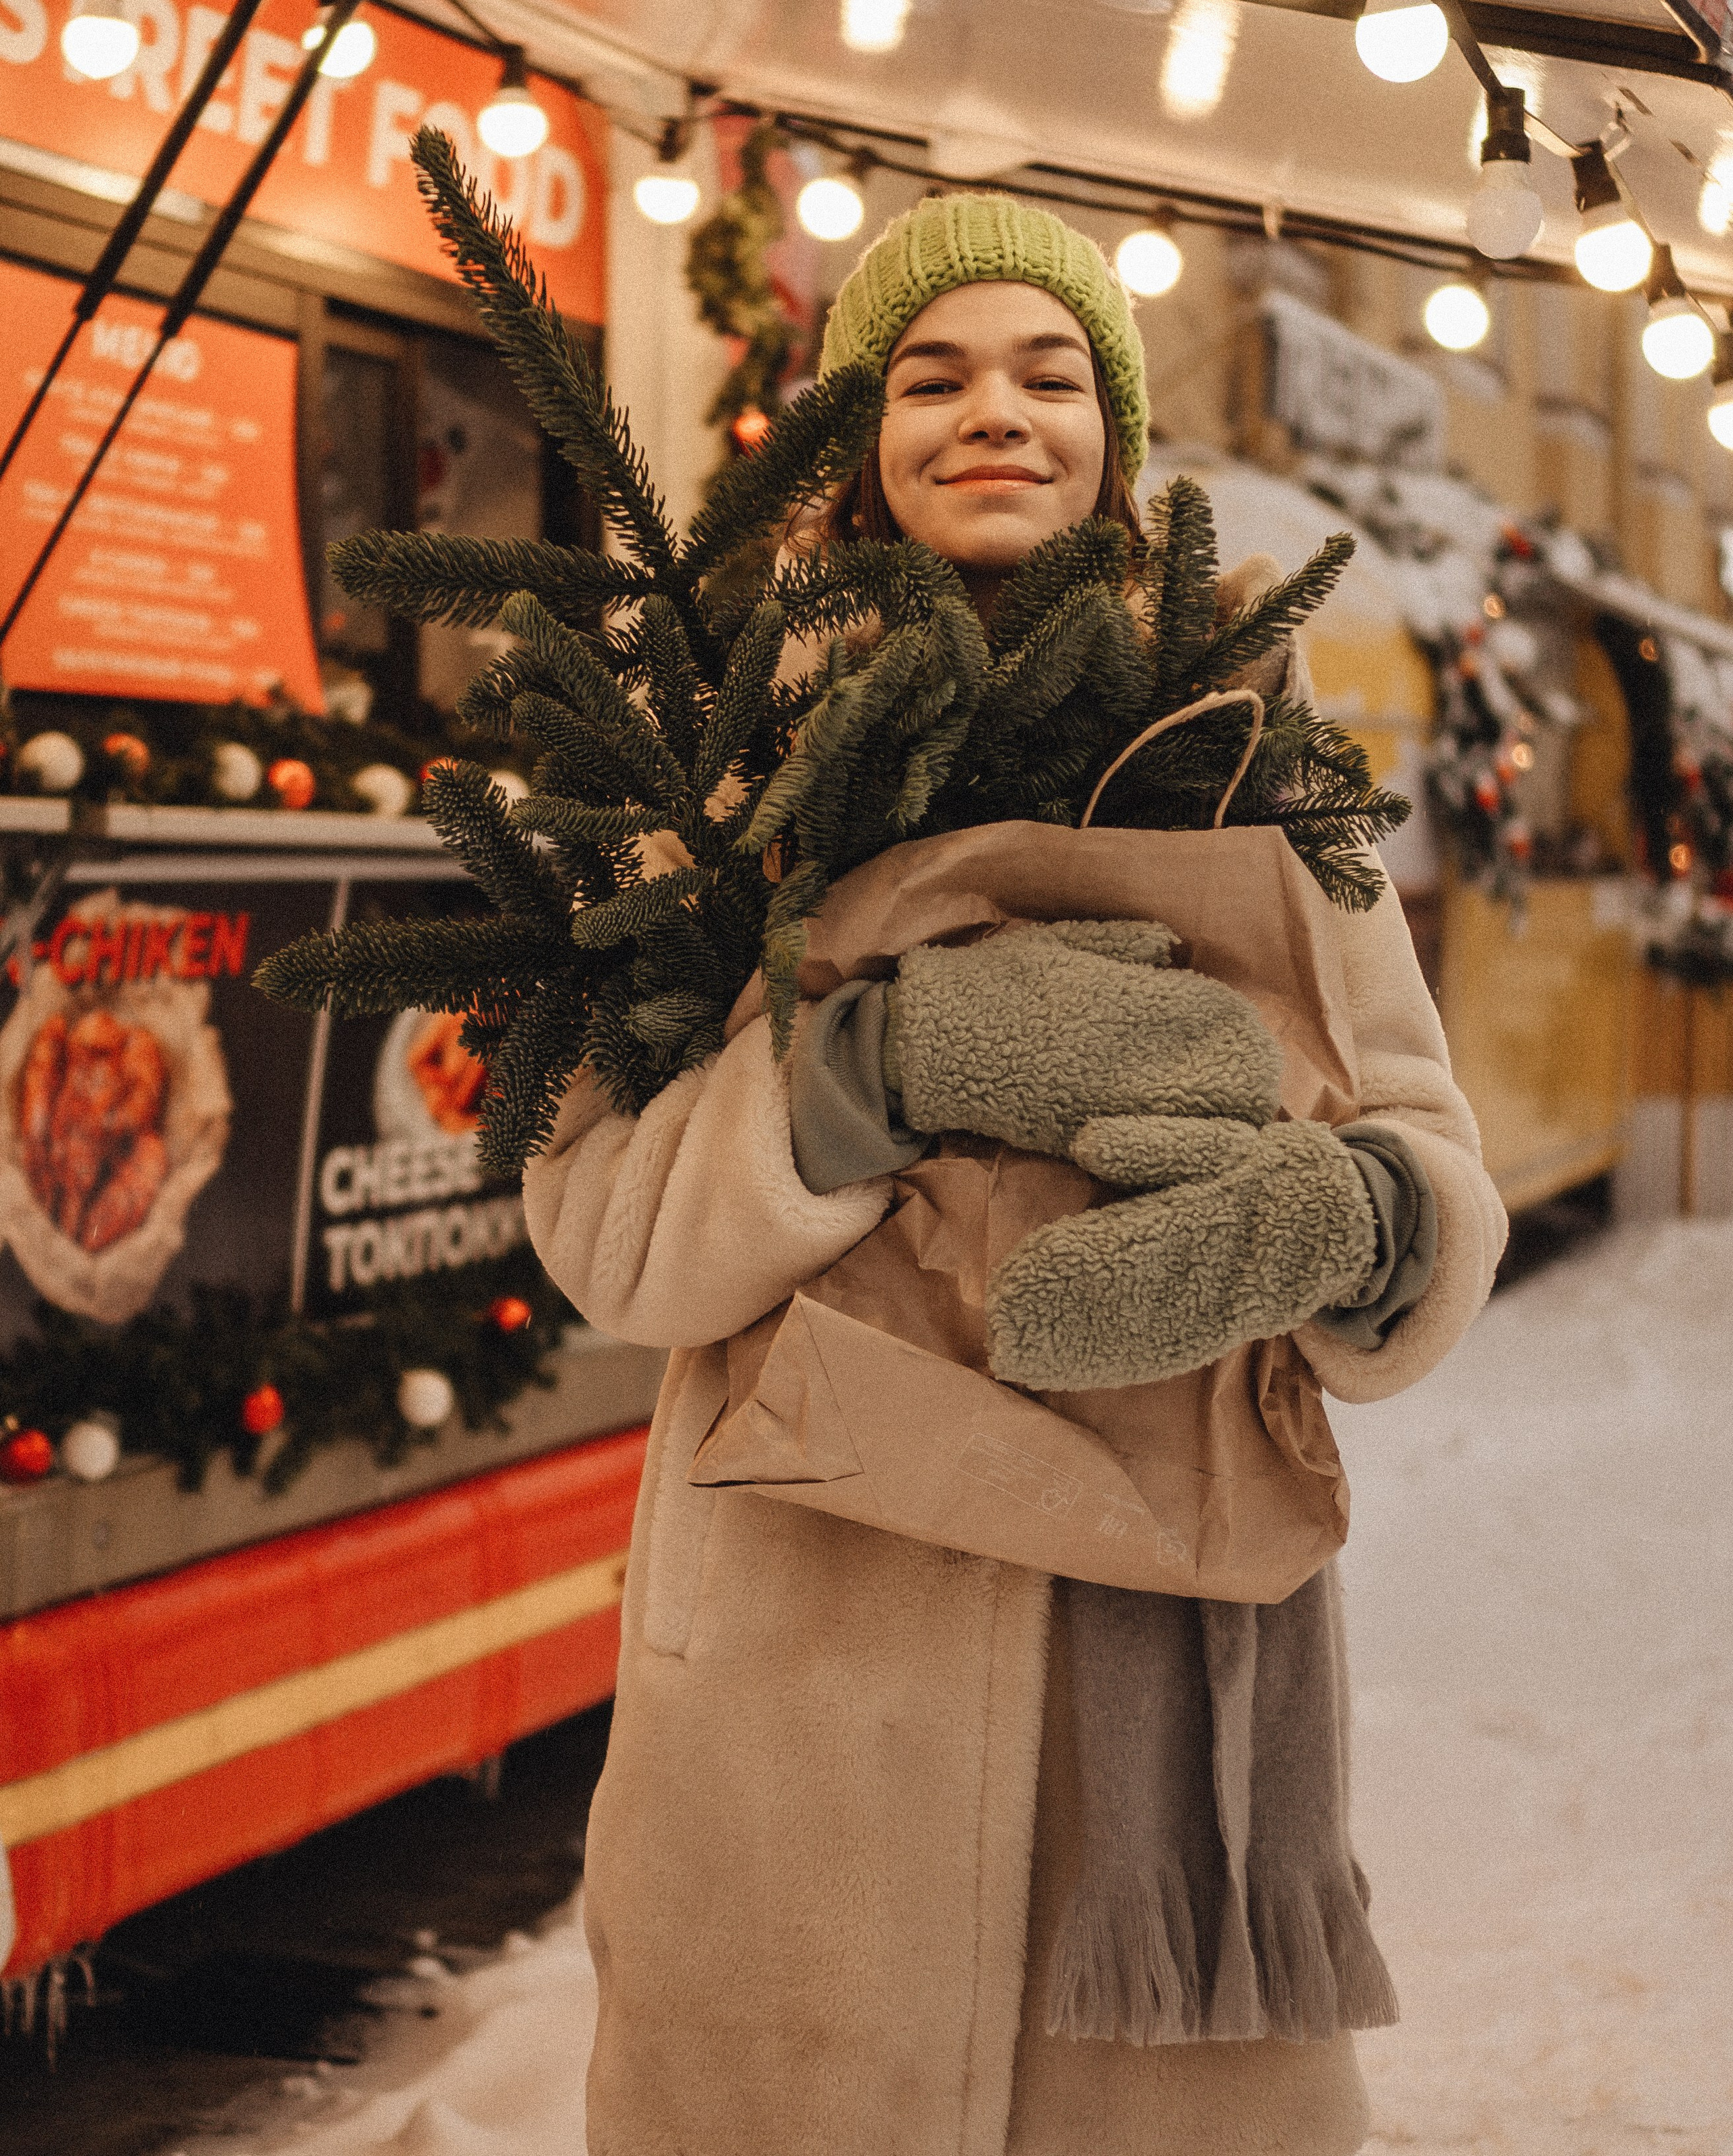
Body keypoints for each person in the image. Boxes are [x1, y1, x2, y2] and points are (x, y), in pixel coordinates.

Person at [524, 194, 1507, 2156]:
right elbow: (604, 1233)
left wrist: (1359, 1220)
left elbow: (1420, 1149)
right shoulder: (722, 759)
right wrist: (863, 1073)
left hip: (1147, 1687)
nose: (999, 415)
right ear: (853, 441)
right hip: (802, 1692)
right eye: (933, 374)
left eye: (1053, 374)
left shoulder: (1253, 756)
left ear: (1121, 441)